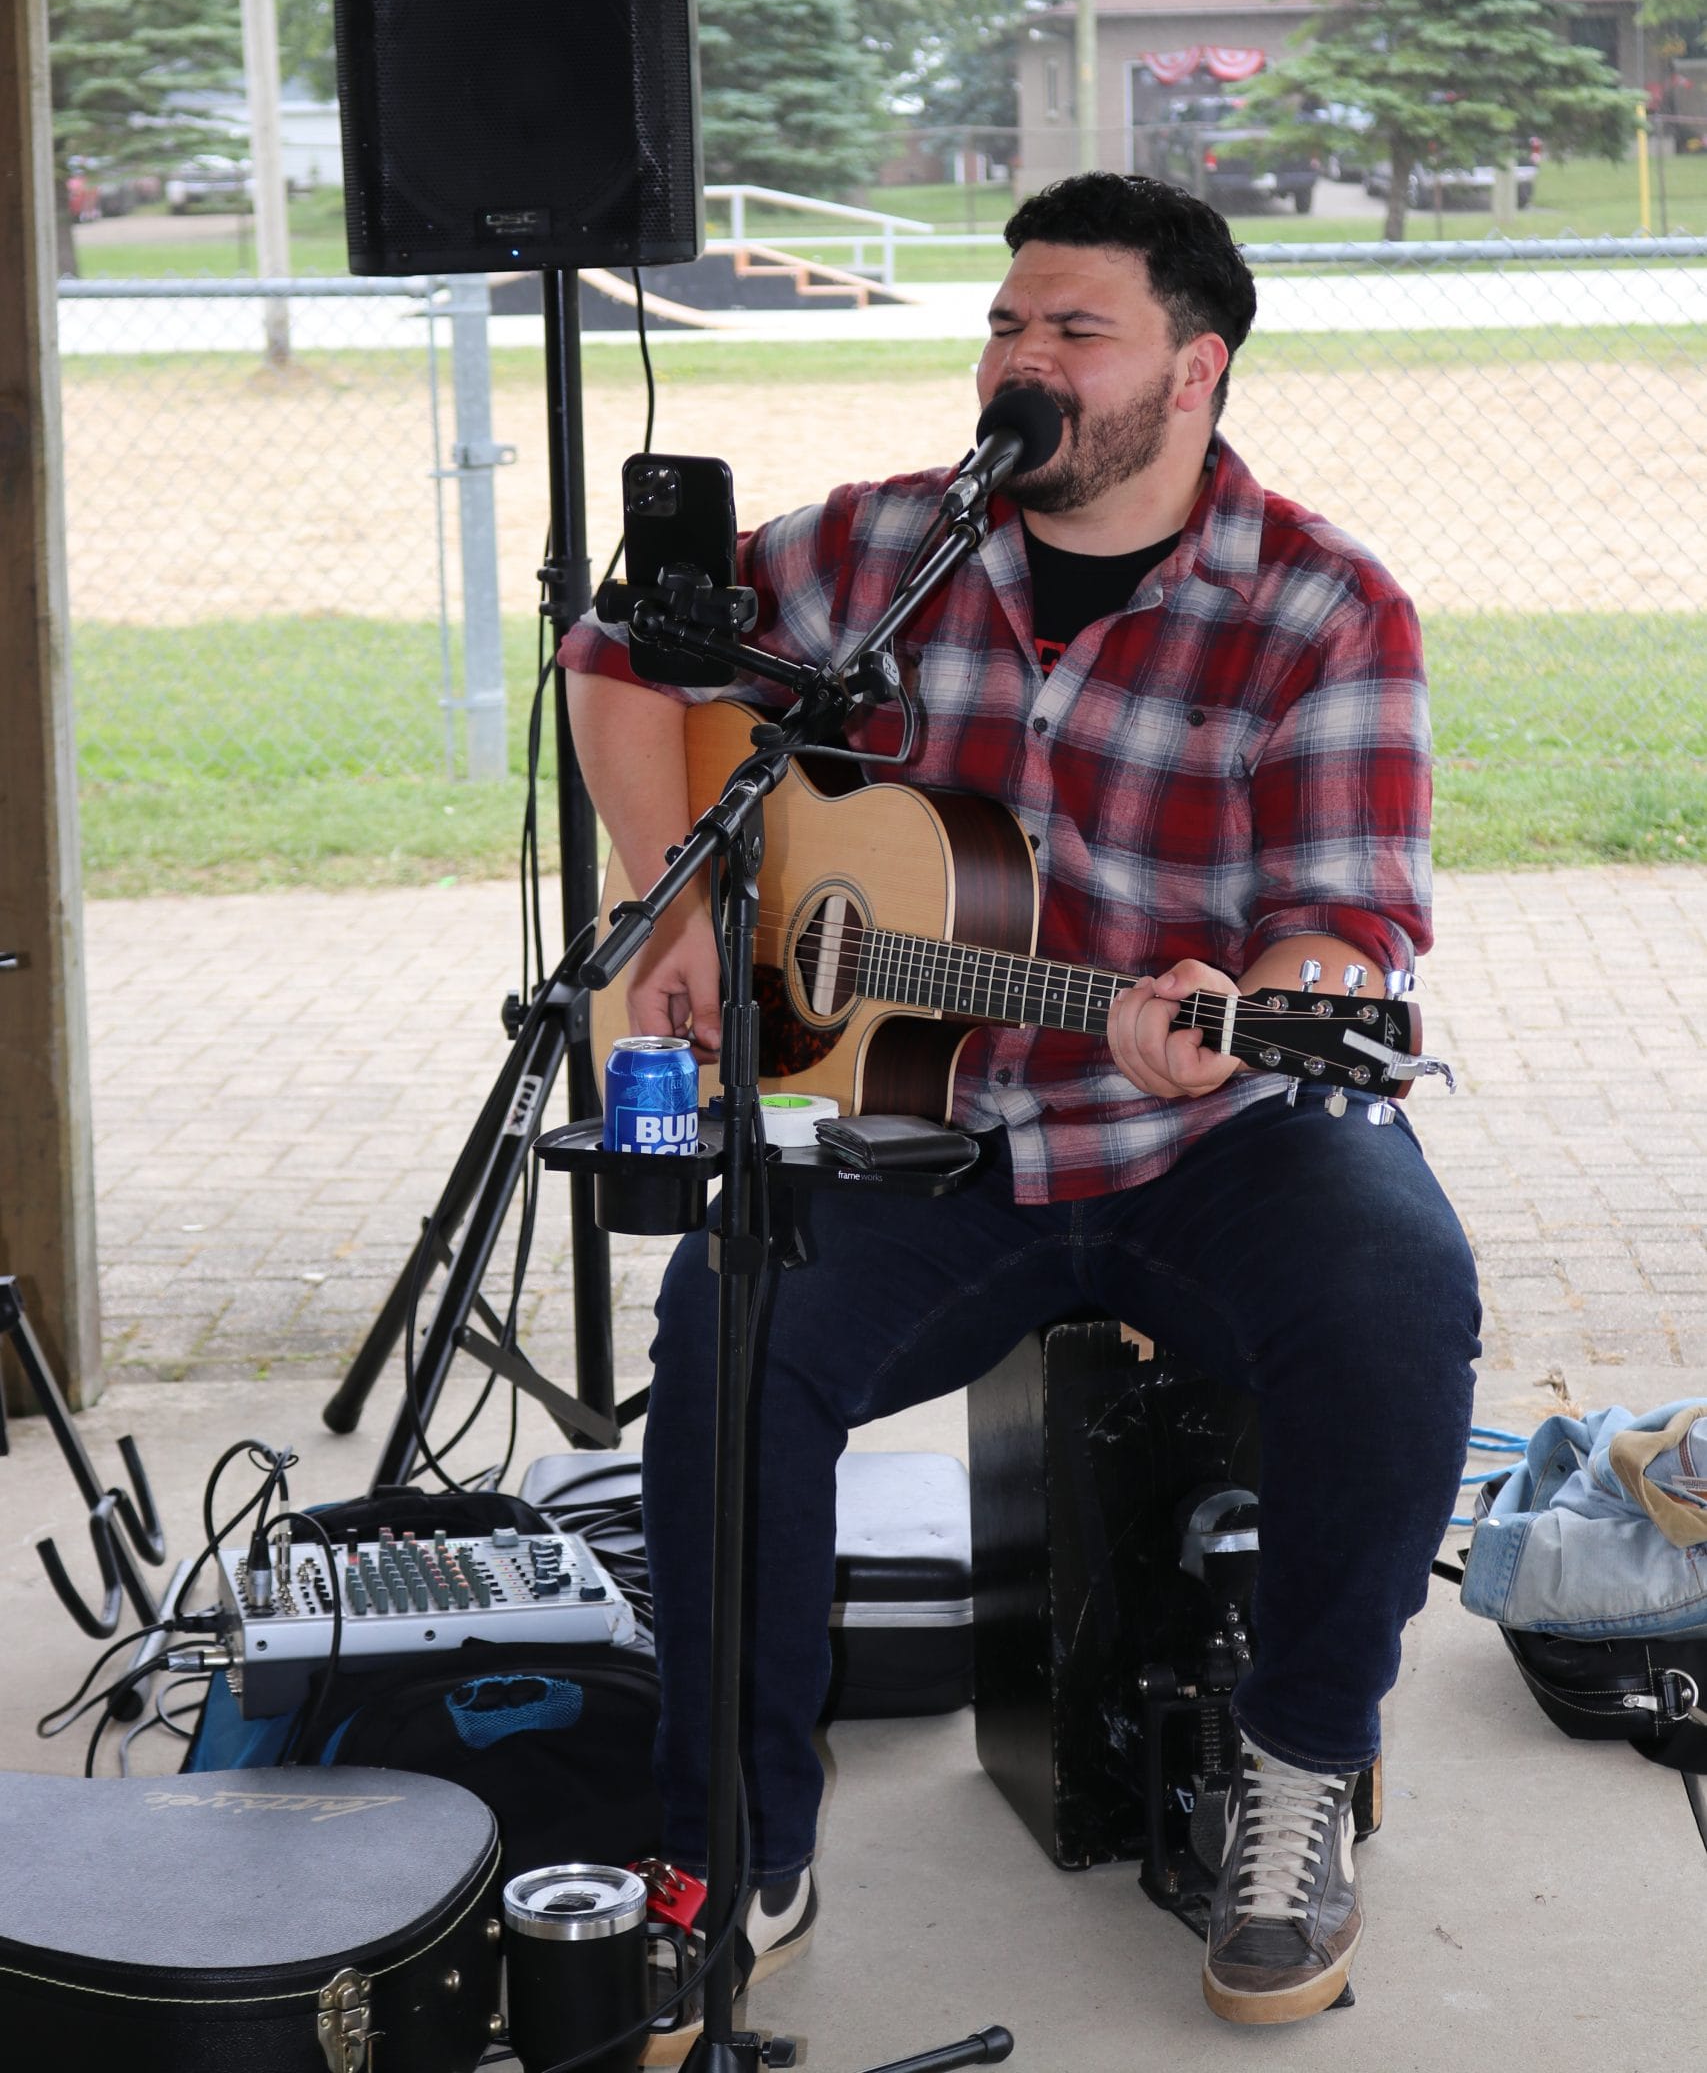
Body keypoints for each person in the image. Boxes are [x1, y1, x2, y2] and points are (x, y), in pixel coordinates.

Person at [562, 171, 1481, 2042]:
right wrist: (664, 896)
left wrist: (1258, 1010)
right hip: (936, 1142)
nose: (1022, 360)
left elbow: (1350, 925)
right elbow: (619, 652)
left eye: (1075, 329)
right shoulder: (881, 547)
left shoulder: (1321, 603)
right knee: (729, 1326)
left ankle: (1299, 1778)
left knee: (1395, 1293)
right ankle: (733, 1841)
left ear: (1193, 370)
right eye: (1005, 323)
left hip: (1211, 1135)